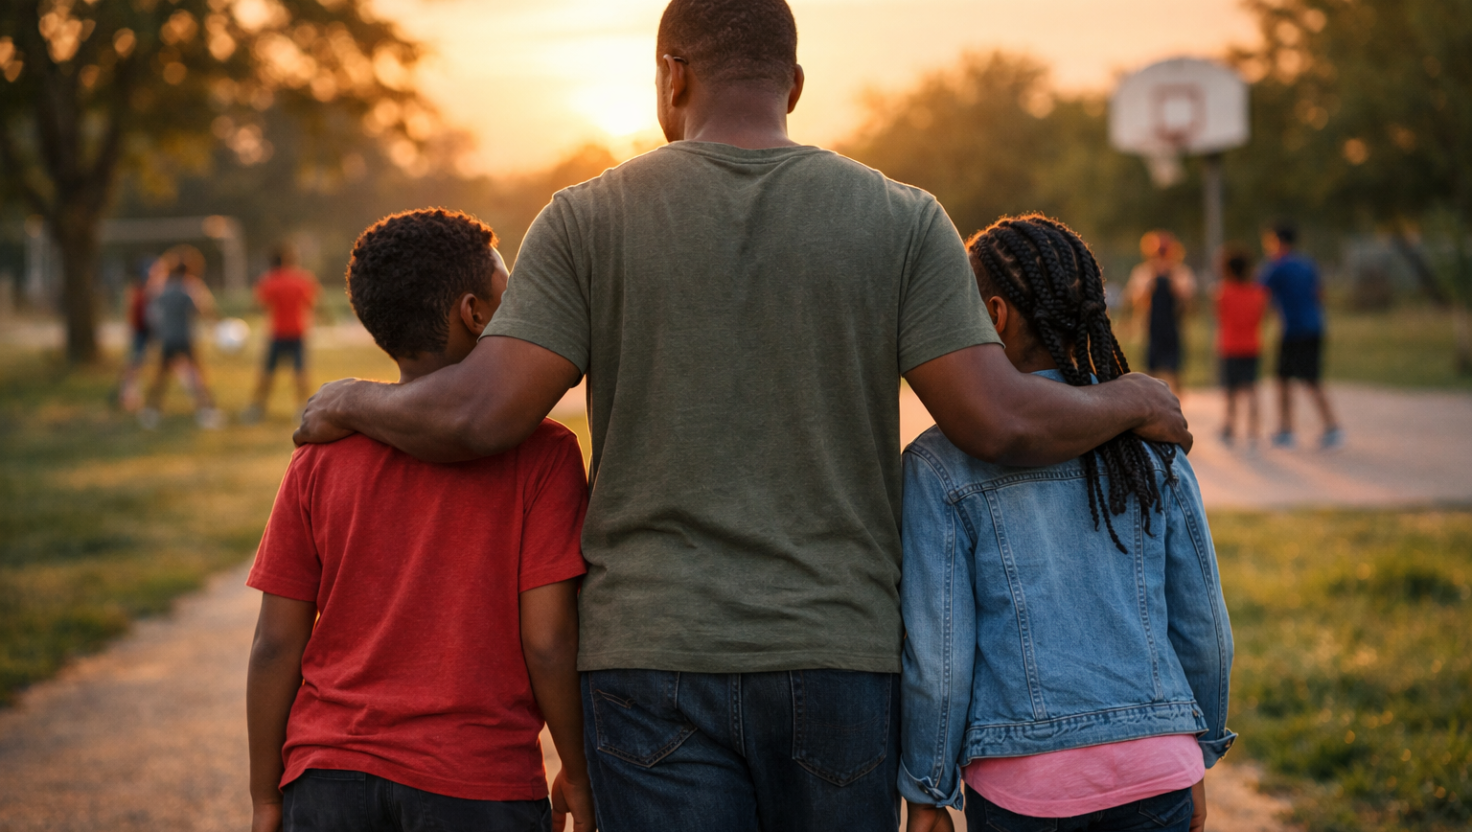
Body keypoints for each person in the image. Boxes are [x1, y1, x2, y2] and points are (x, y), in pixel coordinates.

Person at [292, 2, 1191, 829]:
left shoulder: (585, 220)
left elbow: (481, 415)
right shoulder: (903, 220)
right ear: (794, 85)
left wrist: (353, 399)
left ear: (671, 76)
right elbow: (999, 423)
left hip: (649, 660)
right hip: (838, 657)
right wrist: (1132, 396)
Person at [245, 209, 595, 832]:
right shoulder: (543, 455)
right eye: (507, 291)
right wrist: (577, 765)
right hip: (477, 782)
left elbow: (275, 643)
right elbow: (548, 641)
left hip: (326, 778)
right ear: (476, 314)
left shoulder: (322, 455)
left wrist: (267, 796)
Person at [901, 215, 1234, 832]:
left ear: (992, 316)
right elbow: (1205, 626)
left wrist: (927, 789)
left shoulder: (939, 463)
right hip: (1155, 769)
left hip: (1023, 783)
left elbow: (939, 653)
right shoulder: (1153, 443)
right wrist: (1195, 752)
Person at [1261, 222, 1342, 449]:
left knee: (1283, 380)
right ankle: (1331, 427)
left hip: (1292, 330)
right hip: (1314, 327)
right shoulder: (1307, 264)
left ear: (1277, 241)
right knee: (1312, 379)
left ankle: (1288, 430)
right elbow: (1320, 293)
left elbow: (1260, 295)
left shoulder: (1276, 266)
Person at [140, 250, 224, 430]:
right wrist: (216, 324)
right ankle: (207, 412)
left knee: (160, 378)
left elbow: (153, 315)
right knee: (197, 376)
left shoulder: (162, 290)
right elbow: (201, 310)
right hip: (185, 338)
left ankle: (150, 412)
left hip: (168, 339)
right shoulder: (188, 290)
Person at [243, 245, 320, 424]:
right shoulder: (302, 279)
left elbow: (259, 305)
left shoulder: (269, 280)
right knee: (301, 374)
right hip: (298, 332)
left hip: (278, 333)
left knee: (266, 374)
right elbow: (311, 303)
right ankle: (303, 410)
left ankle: (256, 408)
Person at [1127, 231, 1197, 394]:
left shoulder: (1180, 273)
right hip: (1151, 328)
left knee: (1175, 369)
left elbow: (1189, 305)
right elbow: (1136, 300)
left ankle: (1177, 403)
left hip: (1173, 326)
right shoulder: (1143, 273)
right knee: (1151, 369)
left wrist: (1177, 291)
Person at [1216, 246, 1268, 448]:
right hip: (1252, 346)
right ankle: (1253, 431)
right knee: (1252, 388)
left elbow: (1219, 316)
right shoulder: (1258, 293)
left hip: (1230, 347)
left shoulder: (1222, 293)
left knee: (1230, 390)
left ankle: (1229, 427)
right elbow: (1261, 316)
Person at [116, 260, 157, 412]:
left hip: (150, 330)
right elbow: (131, 312)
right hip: (141, 331)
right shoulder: (137, 291)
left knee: (139, 363)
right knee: (135, 363)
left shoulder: (151, 289)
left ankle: (131, 394)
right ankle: (127, 395)